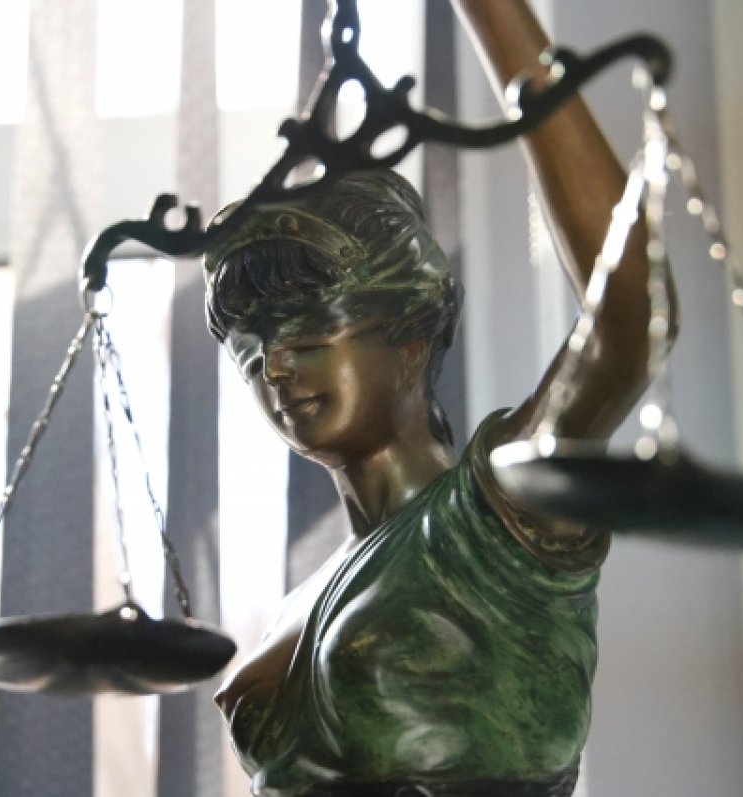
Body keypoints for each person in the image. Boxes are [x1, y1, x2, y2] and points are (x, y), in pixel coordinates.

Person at [203, 2, 669, 795]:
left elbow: (628, 322)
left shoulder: (500, 520)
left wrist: (495, 16)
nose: (275, 365)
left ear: (414, 335)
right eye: (251, 347)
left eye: (310, 331)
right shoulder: (300, 600)